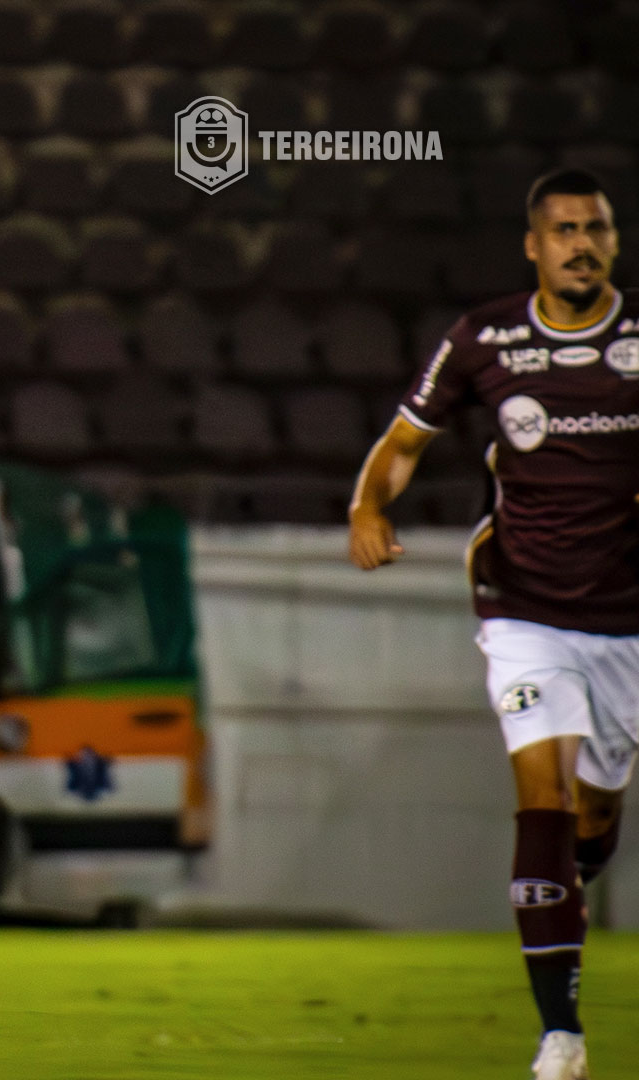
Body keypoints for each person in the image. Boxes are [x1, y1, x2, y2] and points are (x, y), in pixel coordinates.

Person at [348, 168, 630, 1080]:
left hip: (628, 620)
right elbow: (403, 443)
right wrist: (367, 507)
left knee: (595, 804)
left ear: (614, 241)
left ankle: (568, 883)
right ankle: (562, 1034)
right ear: (533, 245)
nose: (580, 244)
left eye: (595, 229)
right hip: (523, 608)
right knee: (540, 793)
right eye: (563, 230)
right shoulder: (486, 336)